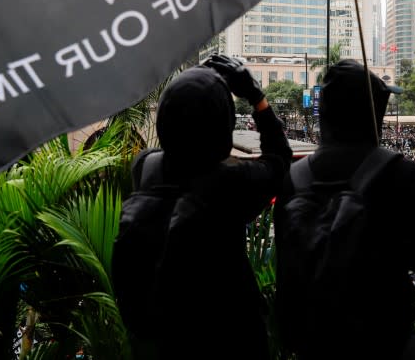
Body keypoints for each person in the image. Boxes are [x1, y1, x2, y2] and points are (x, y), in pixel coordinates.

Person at [114, 56, 292, 359]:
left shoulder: (144, 167)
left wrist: (194, 87)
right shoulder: (230, 185)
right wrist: (256, 97)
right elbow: (279, 159)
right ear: (224, 127)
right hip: (227, 339)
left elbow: (179, 146)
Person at [275, 60, 415, 359]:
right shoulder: (402, 174)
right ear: (374, 113)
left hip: (314, 344)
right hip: (382, 340)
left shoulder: (292, 179)